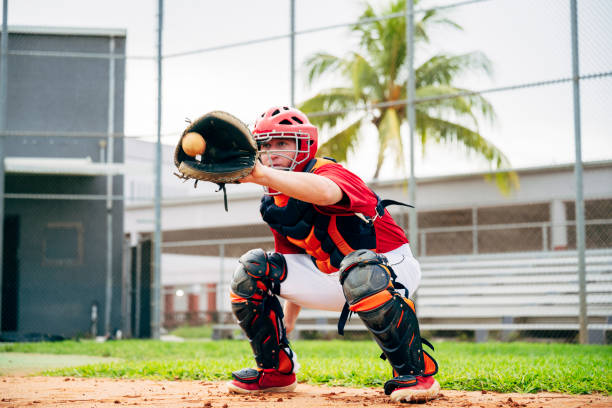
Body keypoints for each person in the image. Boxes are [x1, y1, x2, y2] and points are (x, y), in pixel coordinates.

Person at [226, 106, 439, 403]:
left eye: (282, 143)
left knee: (358, 268)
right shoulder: (273, 202)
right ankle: (276, 371)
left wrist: (259, 173)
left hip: (389, 267)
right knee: (253, 267)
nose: (272, 152)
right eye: (265, 146)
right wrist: (287, 321)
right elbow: (292, 259)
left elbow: (325, 193)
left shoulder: (329, 171)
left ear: (305, 145)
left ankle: (417, 374)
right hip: (333, 276)